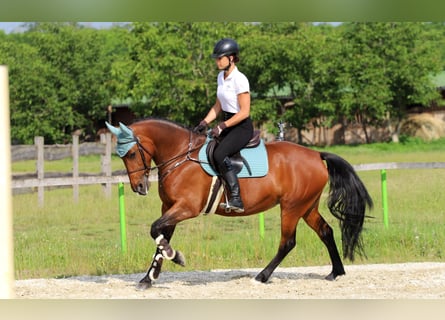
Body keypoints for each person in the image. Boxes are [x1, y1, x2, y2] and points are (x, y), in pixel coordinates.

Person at [193, 38, 253, 213]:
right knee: (205, 148)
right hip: (227, 124)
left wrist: (222, 126)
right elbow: (218, 106)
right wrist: (204, 122)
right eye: (216, 58)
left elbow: (245, 112)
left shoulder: (240, 79)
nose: (217, 61)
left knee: (220, 153)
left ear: (232, 58)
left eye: (220, 58)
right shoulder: (221, 77)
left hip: (241, 126)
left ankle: (236, 198)